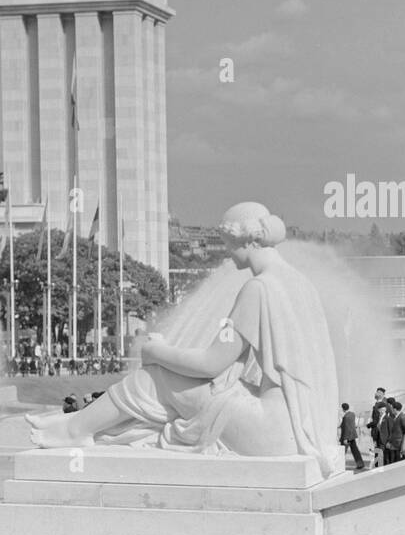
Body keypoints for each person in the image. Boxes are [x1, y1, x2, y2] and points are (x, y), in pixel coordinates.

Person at [25, 202, 341, 478]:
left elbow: (211, 363)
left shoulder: (258, 290)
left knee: (155, 376)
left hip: (270, 432)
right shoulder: (299, 284)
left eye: (227, 244)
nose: (227, 254)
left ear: (243, 241)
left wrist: (156, 350)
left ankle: (75, 430)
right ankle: (79, 425)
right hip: (298, 430)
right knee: (171, 382)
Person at [379, 401, 405, 466]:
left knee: (397, 463)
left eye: (392, 408)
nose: (391, 410)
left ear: (395, 409)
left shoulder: (402, 417)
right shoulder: (395, 417)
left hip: (399, 444)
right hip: (394, 443)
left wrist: (404, 444)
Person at [338, 403, 364, 471]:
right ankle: (360, 464)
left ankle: (339, 466)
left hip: (347, 437)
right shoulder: (352, 414)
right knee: (355, 450)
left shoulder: (345, 417)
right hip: (352, 436)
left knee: (342, 452)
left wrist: (345, 438)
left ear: (343, 409)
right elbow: (351, 425)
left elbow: (346, 428)